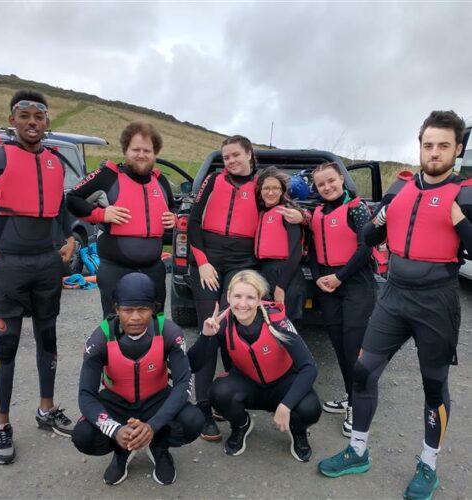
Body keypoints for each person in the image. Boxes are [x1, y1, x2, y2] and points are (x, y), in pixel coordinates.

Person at [318, 111, 472, 500]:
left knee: (434, 386)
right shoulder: (399, 187)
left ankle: (428, 464)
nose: (433, 153)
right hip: (394, 295)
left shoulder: (467, 193)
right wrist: (383, 214)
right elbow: (369, 235)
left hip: (437, 299)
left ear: (457, 149)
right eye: (428, 145)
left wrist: (459, 220)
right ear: (419, 146)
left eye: (443, 146)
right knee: (363, 371)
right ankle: (357, 450)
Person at [0, 90, 76, 465]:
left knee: (47, 338)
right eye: (24, 115)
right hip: (9, 265)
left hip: (47, 264)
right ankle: (2, 425)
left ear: (48, 123)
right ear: (13, 119)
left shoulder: (55, 162)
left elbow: (61, 209)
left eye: (39, 116)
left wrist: (71, 240)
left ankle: (45, 410)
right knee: (8, 344)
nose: (32, 122)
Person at [187, 135, 303, 441]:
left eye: (236, 155)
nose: (230, 161)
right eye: (226, 157)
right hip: (208, 259)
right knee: (209, 327)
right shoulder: (213, 180)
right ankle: (201, 407)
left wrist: (303, 215)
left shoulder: (261, 184)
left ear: (249, 154)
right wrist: (201, 262)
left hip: (242, 261)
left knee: (232, 328)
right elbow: (194, 221)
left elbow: (285, 205)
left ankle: (227, 396)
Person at [71, 273, 203, 486]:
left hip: (156, 399)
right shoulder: (100, 338)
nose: (134, 317)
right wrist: (115, 430)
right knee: (83, 435)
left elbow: (183, 384)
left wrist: (152, 426)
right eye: (127, 310)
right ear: (116, 309)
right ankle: (121, 449)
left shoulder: (169, 331)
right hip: (116, 403)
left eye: (142, 310)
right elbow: (86, 395)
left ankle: (158, 446)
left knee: (194, 420)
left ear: (153, 309)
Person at [188, 270, 322, 461]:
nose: (242, 304)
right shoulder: (223, 322)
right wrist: (206, 336)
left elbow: (309, 367)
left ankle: (298, 430)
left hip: (283, 385)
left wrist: (286, 405)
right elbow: (193, 365)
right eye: (237, 296)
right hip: (249, 385)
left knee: (310, 407)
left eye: (250, 297)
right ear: (228, 297)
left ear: (260, 299)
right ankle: (241, 425)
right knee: (218, 392)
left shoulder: (277, 321)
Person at [66, 121, 176, 317]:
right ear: (126, 150)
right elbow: (72, 199)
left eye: (147, 150)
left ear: (155, 153)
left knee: (155, 323)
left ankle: (156, 348)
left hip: (153, 269)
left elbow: (172, 208)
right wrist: (101, 214)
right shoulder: (108, 176)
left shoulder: (160, 181)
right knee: (115, 324)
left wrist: (173, 218)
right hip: (115, 270)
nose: (141, 155)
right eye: (136, 149)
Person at [308, 161, 376, 437]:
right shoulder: (317, 213)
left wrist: (340, 277)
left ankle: (357, 404)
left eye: (331, 181)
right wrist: (317, 278)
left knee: (352, 348)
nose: (327, 187)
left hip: (354, 283)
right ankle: (351, 396)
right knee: (338, 344)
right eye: (321, 184)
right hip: (327, 284)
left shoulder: (357, 208)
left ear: (341, 180)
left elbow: (366, 248)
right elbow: (312, 249)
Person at [254, 166, 306, 322]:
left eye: (275, 188)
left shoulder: (288, 213)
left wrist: (281, 287)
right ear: (260, 191)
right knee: (268, 321)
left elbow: (296, 252)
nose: (271, 192)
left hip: (286, 273)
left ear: (283, 190)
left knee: (287, 323)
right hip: (265, 271)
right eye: (266, 188)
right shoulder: (261, 213)